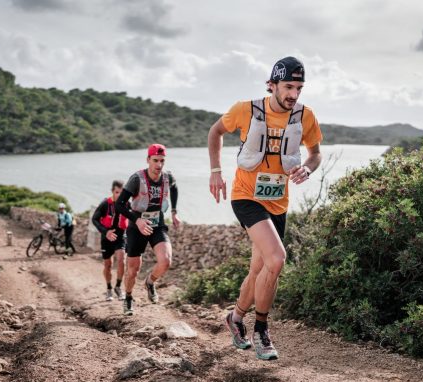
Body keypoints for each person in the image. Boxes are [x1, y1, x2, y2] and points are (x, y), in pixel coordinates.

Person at [207, 56, 322, 360]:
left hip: (278, 201)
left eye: (298, 88)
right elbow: (215, 132)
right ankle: (260, 330)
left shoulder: (305, 116)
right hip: (246, 196)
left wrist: (308, 170)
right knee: (277, 258)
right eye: (288, 87)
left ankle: (234, 318)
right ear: (272, 85)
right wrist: (216, 171)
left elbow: (315, 154)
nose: (293, 94)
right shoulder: (245, 110)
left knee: (260, 267)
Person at [115, 143, 181, 315]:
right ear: (148, 160)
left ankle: (150, 282)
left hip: (157, 223)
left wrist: (174, 211)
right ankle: (128, 297)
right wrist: (136, 221)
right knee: (133, 270)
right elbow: (119, 205)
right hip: (137, 226)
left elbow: (174, 188)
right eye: (155, 161)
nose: (159, 165)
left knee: (166, 261)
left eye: (162, 161)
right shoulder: (137, 178)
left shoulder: (168, 176)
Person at [91, 180, 128, 301]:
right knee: (108, 265)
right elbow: (94, 219)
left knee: (122, 260)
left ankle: (118, 287)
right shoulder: (105, 204)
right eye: (117, 192)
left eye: (121, 193)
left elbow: (136, 216)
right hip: (106, 238)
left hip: (120, 237)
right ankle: (108, 289)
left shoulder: (127, 204)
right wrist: (105, 231)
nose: (119, 195)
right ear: (112, 191)